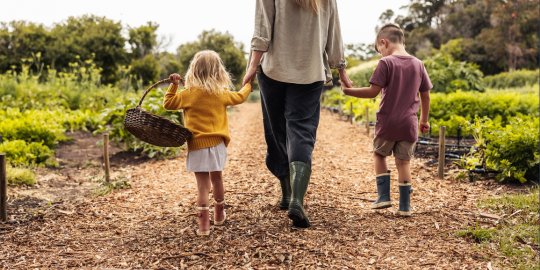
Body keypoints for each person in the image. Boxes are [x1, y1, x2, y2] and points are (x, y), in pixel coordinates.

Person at [243, 0, 353, 228]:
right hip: (310, 71)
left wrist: (253, 66)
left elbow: (262, 28)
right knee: (301, 131)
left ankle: (286, 193)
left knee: (276, 130)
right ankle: (296, 199)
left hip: (273, 69)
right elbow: (334, 34)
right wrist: (341, 70)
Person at [340, 23, 432, 216]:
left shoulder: (386, 63)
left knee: (380, 155)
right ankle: (405, 207)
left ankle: (383, 197)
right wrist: (423, 120)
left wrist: (348, 91)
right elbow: (425, 95)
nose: (381, 54)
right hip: (409, 124)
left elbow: (373, 92)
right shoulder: (418, 64)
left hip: (388, 122)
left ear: (384, 43)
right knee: (403, 163)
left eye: (380, 50)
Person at [163, 50, 252, 235]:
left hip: (197, 145)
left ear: (193, 71)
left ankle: (203, 227)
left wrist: (174, 85)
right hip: (217, 144)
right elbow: (240, 97)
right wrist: (248, 84)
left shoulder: (188, 94)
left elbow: (168, 104)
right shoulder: (221, 93)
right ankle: (219, 216)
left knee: (202, 186)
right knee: (217, 178)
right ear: (218, 72)